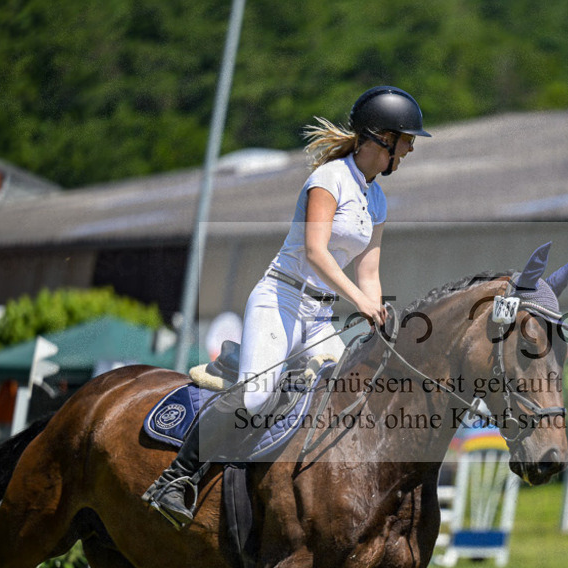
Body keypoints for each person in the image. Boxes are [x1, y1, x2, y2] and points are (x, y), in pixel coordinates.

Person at [144, 86, 431, 527]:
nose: (411, 148)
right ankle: (177, 478)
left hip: (318, 316)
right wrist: (358, 302)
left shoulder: (377, 200)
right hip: (280, 300)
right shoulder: (329, 179)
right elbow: (316, 252)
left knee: (351, 396)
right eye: (407, 139)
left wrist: (380, 313)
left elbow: (369, 273)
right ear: (382, 138)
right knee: (257, 399)